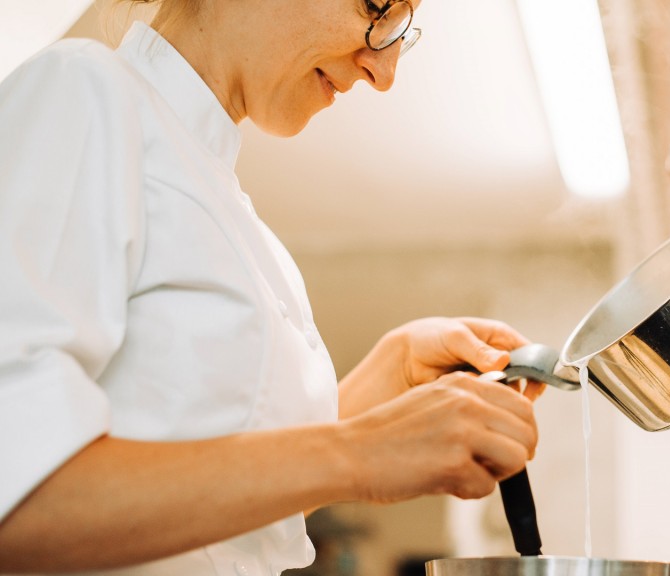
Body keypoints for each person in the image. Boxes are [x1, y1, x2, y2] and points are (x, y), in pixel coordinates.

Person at [0, 0, 543, 573]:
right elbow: (15, 486)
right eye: (376, 7)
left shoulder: (238, 218)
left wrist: (381, 386)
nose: (383, 74)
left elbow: (218, 519)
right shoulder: (83, 92)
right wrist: (358, 450)